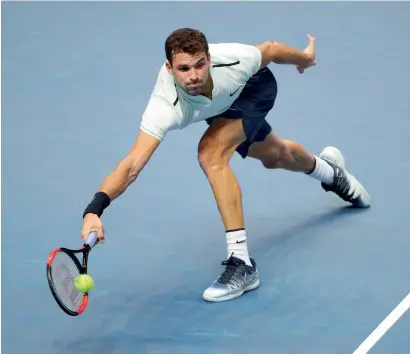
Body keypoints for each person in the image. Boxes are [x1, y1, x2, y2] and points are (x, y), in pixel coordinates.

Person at [81, 28, 371, 303]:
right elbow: (132, 164)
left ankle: (241, 262)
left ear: (209, 59)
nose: (193, 75)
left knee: (210, 153)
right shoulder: (163, 104)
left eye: (199, 65)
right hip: (221, 107)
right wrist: (94, 210)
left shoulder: (234, 60)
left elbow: (270, 50)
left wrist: (305, 59)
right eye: (184, 69)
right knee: (276, 157)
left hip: (254, 88)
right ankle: (332, 172)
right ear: (170, 69)